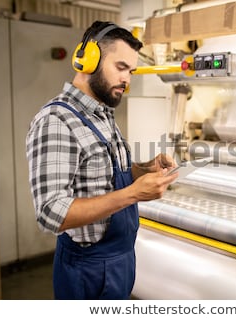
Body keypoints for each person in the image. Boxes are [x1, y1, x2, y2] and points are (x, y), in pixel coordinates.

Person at [25, 20, 178, 299]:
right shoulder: (57, 121)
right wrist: (132, 194)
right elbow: (50, 213)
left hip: (120, 262)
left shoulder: (104, 115)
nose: (127, 80)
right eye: (120, 68)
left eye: (131, 71)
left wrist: (143, 170)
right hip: (88, 271)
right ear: (88, 60)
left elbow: (104, 176)